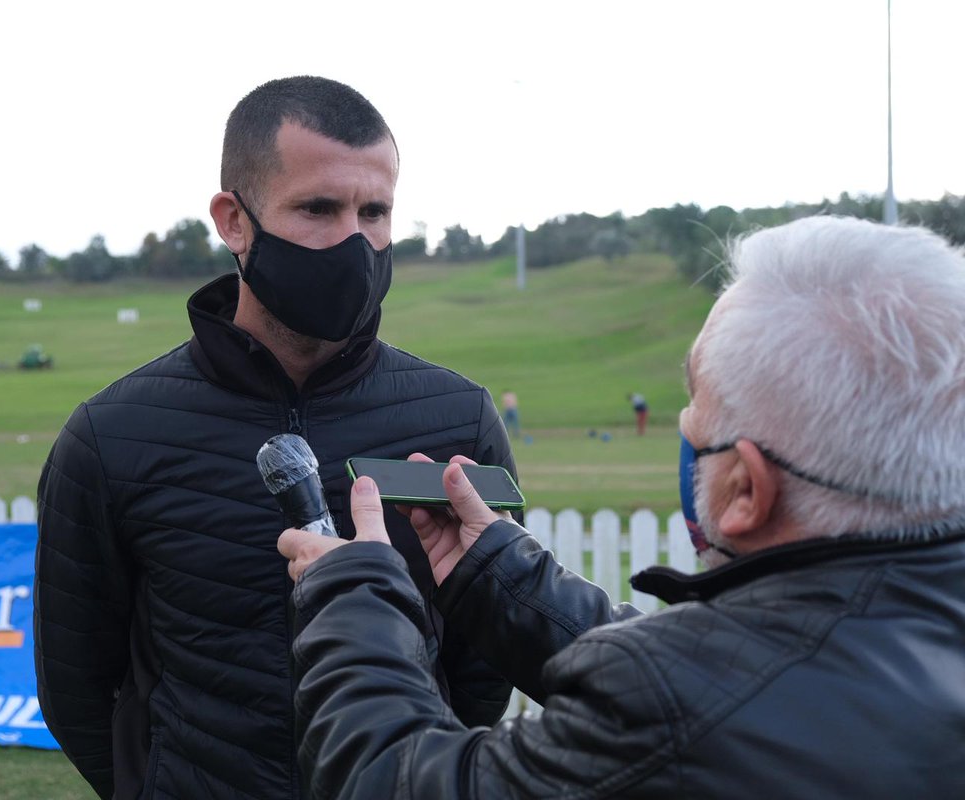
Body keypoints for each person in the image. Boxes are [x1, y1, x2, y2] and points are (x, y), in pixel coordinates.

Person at [278, 216, 965, 799]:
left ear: (746, 492)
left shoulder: (672, 700)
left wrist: (356, 593)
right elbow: (740, 686)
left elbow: (389, 780)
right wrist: (499, 573)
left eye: (697, 407)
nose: (686, 426)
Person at [34, 75, 517, 800]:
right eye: (319, 209)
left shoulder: (458, 421)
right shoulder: (112, 437)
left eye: (375, 211)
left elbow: (485, 664)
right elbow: (77, 684)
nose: (355, 241)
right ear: (234, 220)